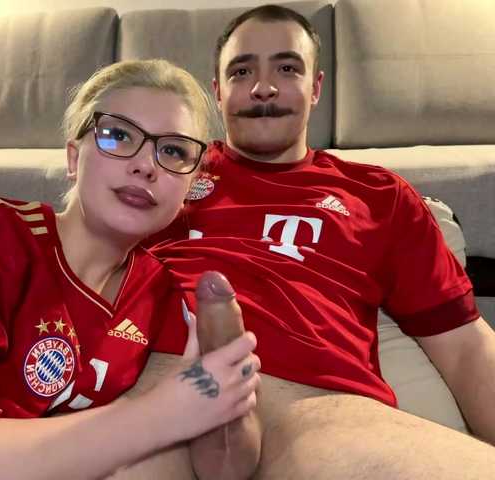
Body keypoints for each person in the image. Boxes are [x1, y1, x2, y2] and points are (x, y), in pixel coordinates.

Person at [121, 5, 495, 479]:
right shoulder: (169, 169)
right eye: (241, 71)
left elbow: (465, 346)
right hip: (161, 377)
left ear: (316, 87)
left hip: (317, 407)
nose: (263, 87)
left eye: (287, 68)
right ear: (217, 92)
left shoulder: (380, 196)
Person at [0, 59, 262, 480]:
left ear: (190, 187)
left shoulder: (159, 292)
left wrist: (231, 389)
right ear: (73, 158)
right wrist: (160, 415)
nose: (146, 165)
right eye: (118, 135)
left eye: (173, 151)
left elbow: (225, 467)